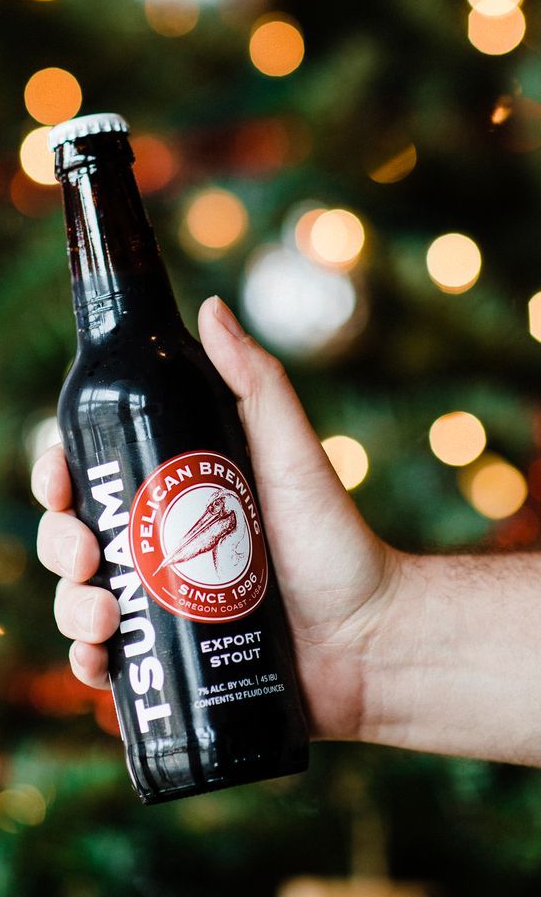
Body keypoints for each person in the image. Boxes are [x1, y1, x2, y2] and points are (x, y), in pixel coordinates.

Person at [32, 296, 541, 768]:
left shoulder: (163, 365)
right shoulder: (96, 385)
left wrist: (376, 625)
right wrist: (373, 636)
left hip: (276, 665)